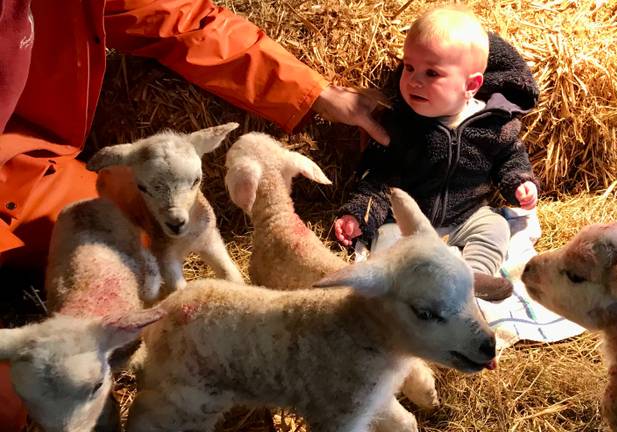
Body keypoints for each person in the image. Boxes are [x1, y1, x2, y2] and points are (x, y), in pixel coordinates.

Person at [0, 0, 389, 429]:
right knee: (24, 394)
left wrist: (314, 92)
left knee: (138, 234)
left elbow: (180, 21)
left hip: (31, 162)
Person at [333, 6, 540, 301]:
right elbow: (378, 178)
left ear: (471, 85)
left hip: (466, 216)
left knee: (495, 226)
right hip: (407, 221)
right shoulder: (400, 125)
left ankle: (471, 277)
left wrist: (520, 182)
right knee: (388, 240)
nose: (414, 80)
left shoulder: (492, 123)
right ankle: (408, 288)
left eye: (432, 73)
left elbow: (510, 157)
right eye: (409, 67)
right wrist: (359, 215)